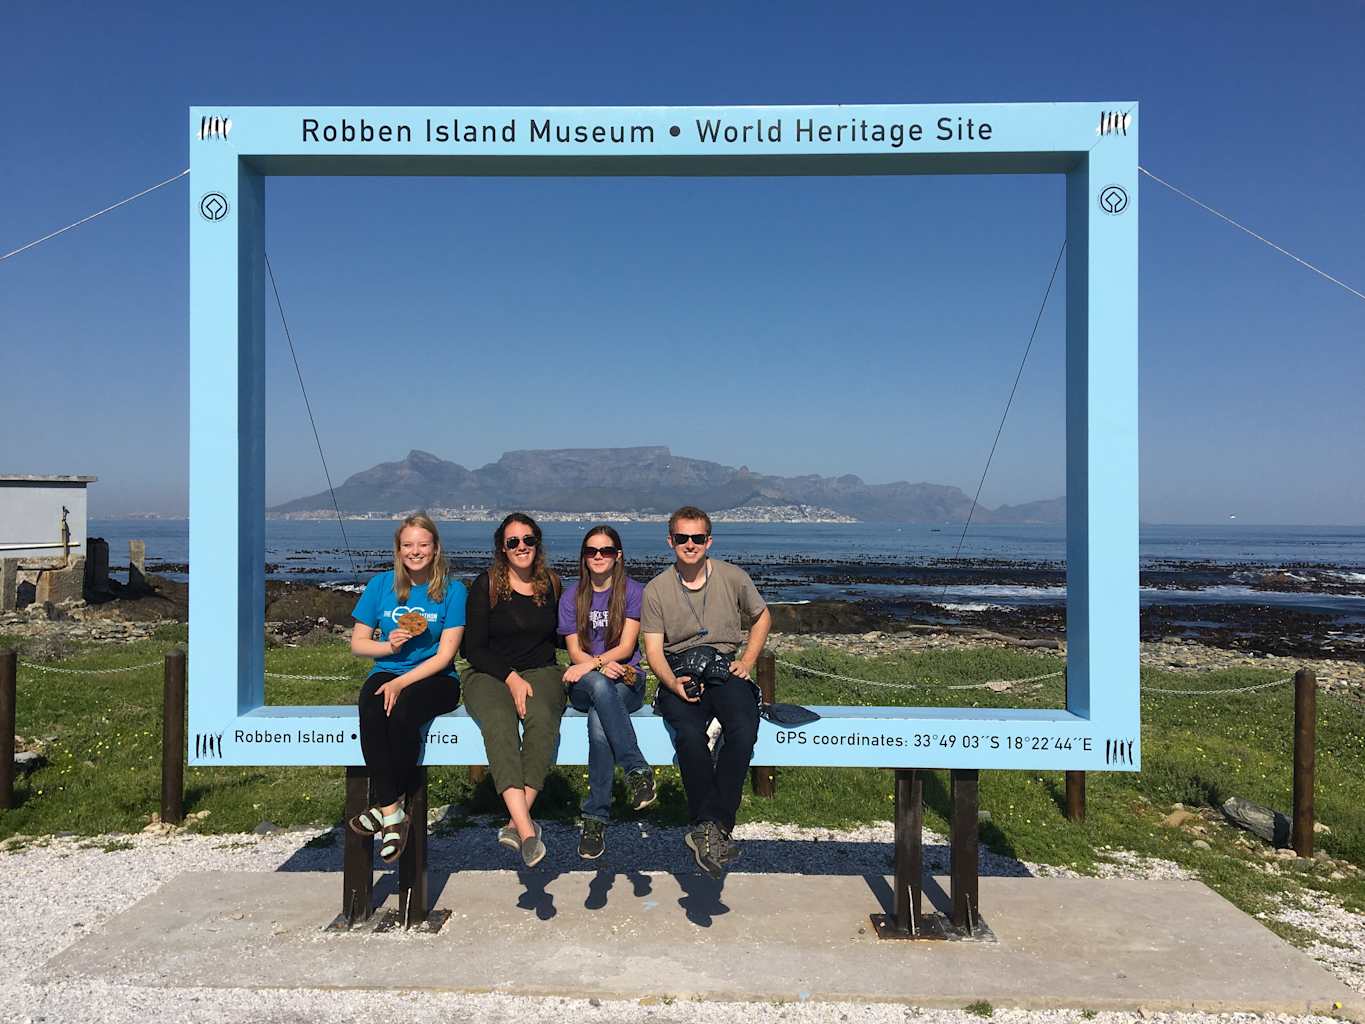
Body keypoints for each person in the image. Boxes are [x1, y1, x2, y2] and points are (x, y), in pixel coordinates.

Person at [642, 505, 771, 879]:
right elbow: (653, 650)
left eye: (697, 538)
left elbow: (762, 616)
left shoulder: (733, 577)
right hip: (679, 670)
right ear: (670, 541)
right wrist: (672, 683)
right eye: (682, 538)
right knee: (688, 734)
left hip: (725, 668)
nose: (690, 544)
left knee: (743, 728)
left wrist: (747, 660)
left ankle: (712, 826)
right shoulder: (657, 589)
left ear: (709, 541)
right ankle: (709, 828)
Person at [348, 513, 467, 865]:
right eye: (408, 545)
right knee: (372, 710)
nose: (415, 551)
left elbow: (445, 655)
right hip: (388, 669)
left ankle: (385, 808)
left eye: (423, 544)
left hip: (437, 679)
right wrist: (389, 647)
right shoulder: (380, 585)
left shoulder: (453, 591)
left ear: (435, 548)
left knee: (401, 715)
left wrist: (401, 683)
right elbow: (358, 643)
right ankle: (392, 811)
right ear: (398, 550)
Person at [462, 513, 565, 867]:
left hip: (542, 671)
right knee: (498, 720)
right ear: (502, 549)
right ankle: (528, 831)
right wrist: (510, 678)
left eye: (528, 540)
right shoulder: (487, 584)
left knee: (543, 718)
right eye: (513, 542)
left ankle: (514, 824)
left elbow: (563, 636)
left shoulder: (551, 584)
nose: (522, 547)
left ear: (537, 544)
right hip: (489, 673)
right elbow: (473, 648)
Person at [558, 525, 656, 859]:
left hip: (627, 679)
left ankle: (595, 819)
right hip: (587, 681)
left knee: (599, 721)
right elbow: (575, 653)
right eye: (591, 551)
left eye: (606, 551)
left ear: (618, 556)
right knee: (600, 686)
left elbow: (627, 647)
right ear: (584, 557)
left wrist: (598, 663)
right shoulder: (571, 597)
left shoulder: (633, 592)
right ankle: (637, 770)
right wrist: (598, 667)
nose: (598, 556)